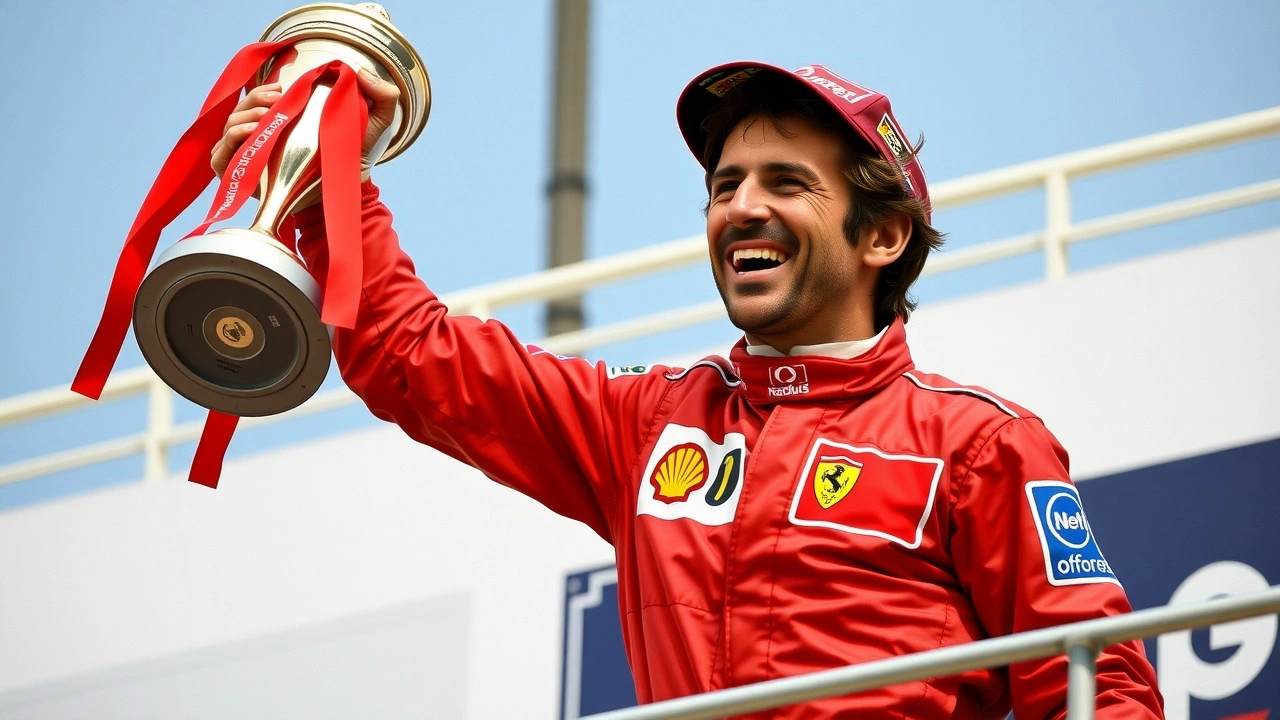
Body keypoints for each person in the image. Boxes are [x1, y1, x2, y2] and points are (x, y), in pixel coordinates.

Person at [213, 61, 1164, 718]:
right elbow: (412, 356)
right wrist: (331, 171)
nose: (742, 205)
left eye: (788, 183)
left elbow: (1095, 684)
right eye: (725, 184)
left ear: (883, 237)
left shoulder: (977, 442)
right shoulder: (651, 419)